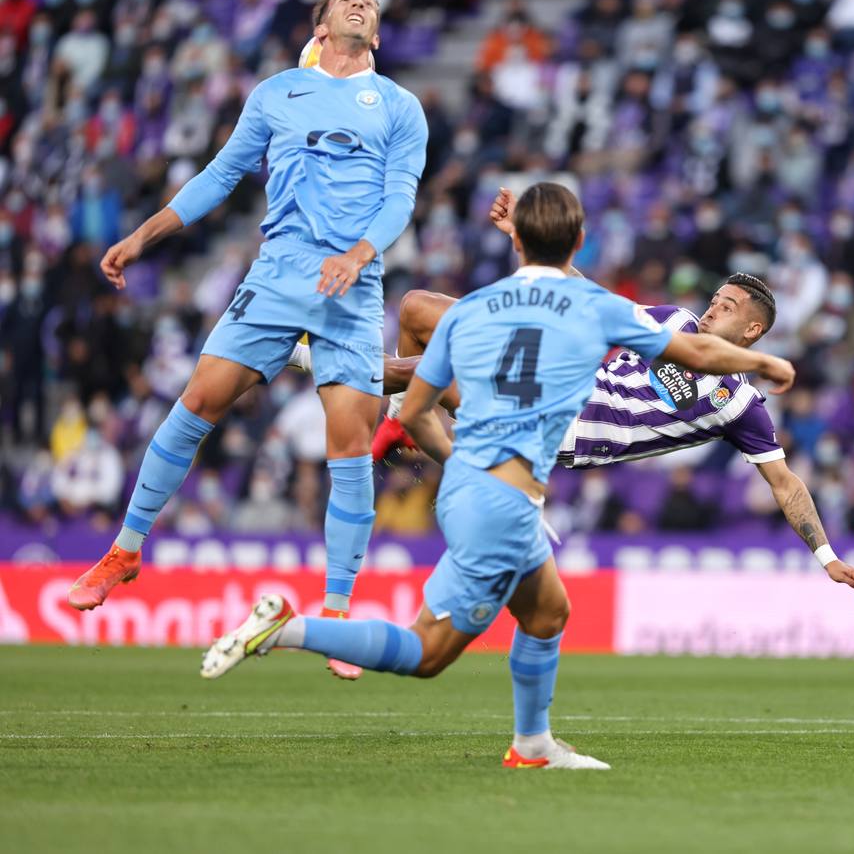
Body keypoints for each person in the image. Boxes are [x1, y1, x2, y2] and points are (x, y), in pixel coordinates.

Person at [200, 182, 803, 770]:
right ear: (580, 243)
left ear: (518, 245)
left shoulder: (485, 308)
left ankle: (533, 743)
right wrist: (767, 362)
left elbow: (413, 405)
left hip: (474, 483)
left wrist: (443, 445)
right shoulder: (588, 312)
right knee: (427, 652)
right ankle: (287, 627)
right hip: (503, 496)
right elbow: (690, 353)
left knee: (548, 615)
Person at [67, 0, 429, 684]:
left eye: (371, 4)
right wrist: (145, 234)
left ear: (378, 36)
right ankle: (127, 548)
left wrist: (359, 254)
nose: (362, 4)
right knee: (198, 400)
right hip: (276, 274)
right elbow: (220, 174)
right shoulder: (274, 94)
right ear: (319, 26)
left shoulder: (399, 107)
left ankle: (334, 614)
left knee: (350, 442)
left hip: (350, 286)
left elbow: (401, 197)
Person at [363, 189, 854, 587]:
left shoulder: (739, 404)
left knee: (439, 367)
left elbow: (785, 483)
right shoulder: (674, 320)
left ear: (752, 333)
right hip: (552, 379)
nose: (714, 305)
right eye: (717, 296)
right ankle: (403, 420)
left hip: (562, 428)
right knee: (416, 308)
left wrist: (827, 557)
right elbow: (590, 295)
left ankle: (305, 356)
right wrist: (524, 234)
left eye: (729, 306)